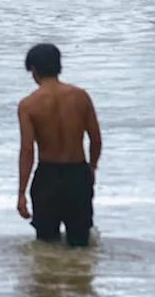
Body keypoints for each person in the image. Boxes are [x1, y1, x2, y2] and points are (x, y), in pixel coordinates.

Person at [16, 43, 102, 247]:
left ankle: (49, 277)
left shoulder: (28, 104)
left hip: (48, 177)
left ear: (34, 70)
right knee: (81, 244)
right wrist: (91, 168)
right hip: (77, 173)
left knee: (46, 245)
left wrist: (21, 192)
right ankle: (79, 277)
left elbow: (28, 150)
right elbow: (96, 139)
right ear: (59, 66)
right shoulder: (81, 96)